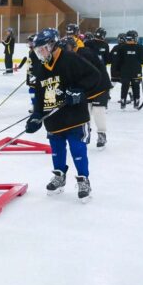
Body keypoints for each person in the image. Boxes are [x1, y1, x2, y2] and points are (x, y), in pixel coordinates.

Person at [25, 28, 103, 203]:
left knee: (77, 148)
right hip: (53, 118)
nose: (40, 53)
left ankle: (83, 180)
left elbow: (94, 76)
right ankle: (59, 176)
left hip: (75, 116)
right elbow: (39, 93)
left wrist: (79, 91)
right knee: (57, 150)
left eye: (42, 49)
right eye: (37, 51)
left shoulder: (69, 58)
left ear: (52, 45)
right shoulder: (41, 66)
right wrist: (36, 115)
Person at [70, 37, 113, 149]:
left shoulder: (84, 54)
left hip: (101, 86)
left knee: (98, 111)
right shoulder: (76, 54)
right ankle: (85, 133)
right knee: (85, 112)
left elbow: (89, 73)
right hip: (89, 88)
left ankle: (101, 134)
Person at [112, 30, 143, 109]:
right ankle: (136, 101)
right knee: (136, 86)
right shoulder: (141, 47)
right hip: (136, 71)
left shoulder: (121, 47)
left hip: (124, 72)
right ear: (135, 38)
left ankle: (123, 102)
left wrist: (118, 70)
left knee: (125, 86)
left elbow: (118, 61)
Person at [26, 34, 39, 112]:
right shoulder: (31, 51)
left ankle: (36, 105)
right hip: (31, 74)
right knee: (31, 90)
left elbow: (39, 65)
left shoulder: (37, 51)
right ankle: (34, 104)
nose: (29, 43)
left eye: (31, 42)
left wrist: (35, 75)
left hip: (35, 75)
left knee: (33, 90)